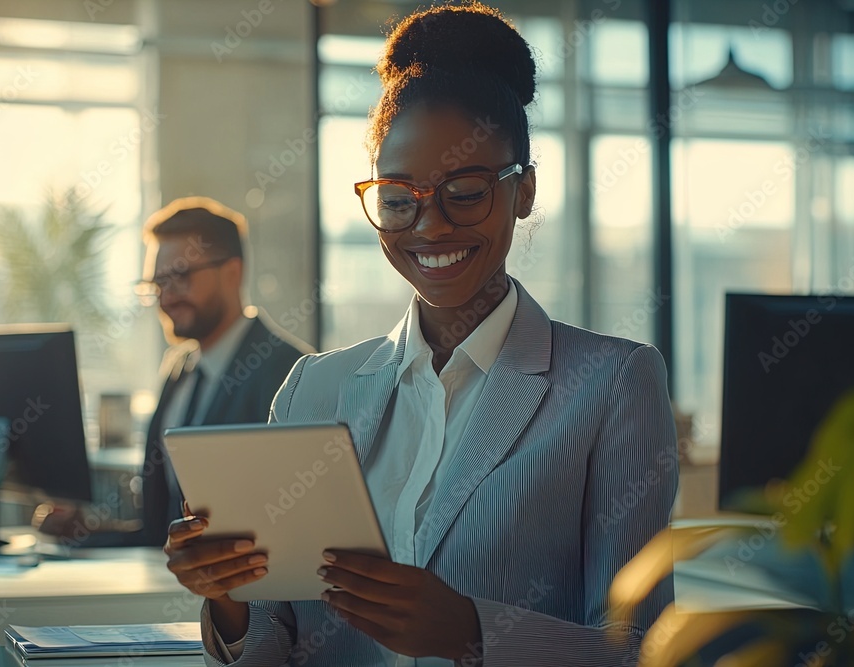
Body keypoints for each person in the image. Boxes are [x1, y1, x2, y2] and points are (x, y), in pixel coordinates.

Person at [165, 4, 677, 666]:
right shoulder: (314, 389)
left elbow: (642, 650)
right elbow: (274, 642)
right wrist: (228, 599)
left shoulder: (611, 384)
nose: (429, 226)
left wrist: (472, 632)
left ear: (524, 191)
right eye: (399, 197)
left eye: (464, 191)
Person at [40, 197, 313, 547]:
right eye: (157, 284)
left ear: (233, 272)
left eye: (181, 277)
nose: (166, 298)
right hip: (171, 590)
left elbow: (295, 528)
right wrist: (82, 531)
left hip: (247, 596)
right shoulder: (179, 369)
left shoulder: (292, 373)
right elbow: (162, 533)